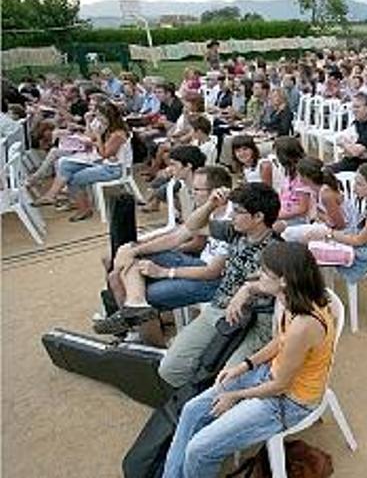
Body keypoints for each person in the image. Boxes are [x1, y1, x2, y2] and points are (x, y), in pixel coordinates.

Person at [162, 241, 335, 478]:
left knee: (199, 450)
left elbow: (280, 386)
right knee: (191, 410)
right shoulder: (292, 297)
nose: (258, 275)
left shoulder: (304, 324)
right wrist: (245, 366)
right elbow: (279, 341)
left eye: (265, 271)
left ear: (284, 280)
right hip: (268, 376)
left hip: (288, 401)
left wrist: (234, 396)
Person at [156, 182, 282, 388]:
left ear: (258, 217)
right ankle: (199, 400)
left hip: (257, 322)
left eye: (238, 212)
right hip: (220, 308)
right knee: (170, 369)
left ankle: (223, 403)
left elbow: (285, 286)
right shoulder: (235, 232)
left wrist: (249, 289)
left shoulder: (278, 250)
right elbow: (193, 226)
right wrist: (210, 205)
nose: (231, 216)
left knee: (227, 382)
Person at [99, 166, 233, 344]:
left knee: (144, 293)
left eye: (197, 190)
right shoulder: (208, 211)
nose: (192, 194)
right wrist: (134, 250)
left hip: (214, 281)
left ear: (216, 192)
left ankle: (152, 344)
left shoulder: (234, 219)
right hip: (198, 265)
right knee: (122, 264)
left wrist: (164, 272)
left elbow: (212, 272)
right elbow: (179, 235)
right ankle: (135, 307)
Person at [55, 102, 132, 222]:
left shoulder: (117, 134)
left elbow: (104, 154)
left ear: (108, 117)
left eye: (100, 116)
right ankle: (65, 197)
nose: (98, 119)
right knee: (66, 165)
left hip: (114, 169)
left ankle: (83, 209)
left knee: (74, 179)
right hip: (107, 164)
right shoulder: (110, 129)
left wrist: (98, 136)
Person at [279, 157, 346, 242]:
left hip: (336, 232)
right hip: (322, 224)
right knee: (282, 228)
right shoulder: (314, 190)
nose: (297, 177)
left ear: (306, 177)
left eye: (299, 174)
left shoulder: (326, 194)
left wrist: (321, 217)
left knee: (288, 233)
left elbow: (340, 225)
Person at [329, 92, 367, 173]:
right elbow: (340, 142)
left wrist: (345, 145)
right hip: (350, 162)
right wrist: (351, 148)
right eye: (353, 107)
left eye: (357, 107)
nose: (354, 110)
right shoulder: (357, 123)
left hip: (363, 168)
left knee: (323, 173)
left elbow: (354, 152)